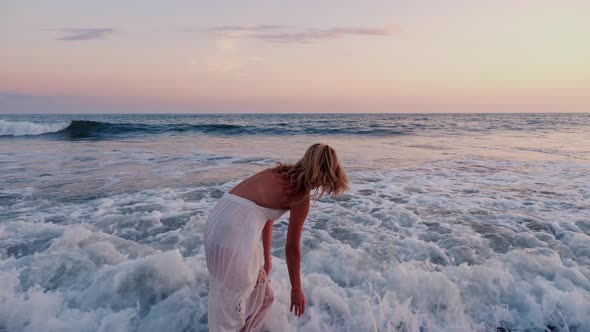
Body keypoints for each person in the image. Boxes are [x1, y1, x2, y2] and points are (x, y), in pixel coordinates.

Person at [204, 143, 349, 331]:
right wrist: (296, 289)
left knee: (264, 298)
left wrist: (267, 258)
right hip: (234, 233)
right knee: (230, 310)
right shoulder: (300, 197)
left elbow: (267, 215)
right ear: (328, 171)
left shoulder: (279, 173)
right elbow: (292, 248)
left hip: (218, 220)